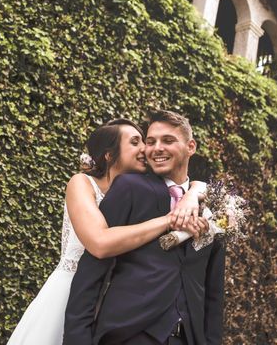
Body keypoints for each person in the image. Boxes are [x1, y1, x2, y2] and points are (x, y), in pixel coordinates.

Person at [7, 118, 207, 345]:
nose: (145, 149)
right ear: (109, 155)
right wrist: (170, 220)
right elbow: (99, 243)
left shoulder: (145, 190)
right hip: (72, 291)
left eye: (144, 141)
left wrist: (194, 191)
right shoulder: (82, 183)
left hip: (117, 300)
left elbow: (187, 183)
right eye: (135, 142)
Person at [64, 110, 225, 345]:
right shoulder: (130, 187)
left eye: (168, 140)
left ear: (191, 147)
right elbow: (92, 270)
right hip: (130, 334)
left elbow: (213, 291)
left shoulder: (212, 204)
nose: (156, 148)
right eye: (150, 142)